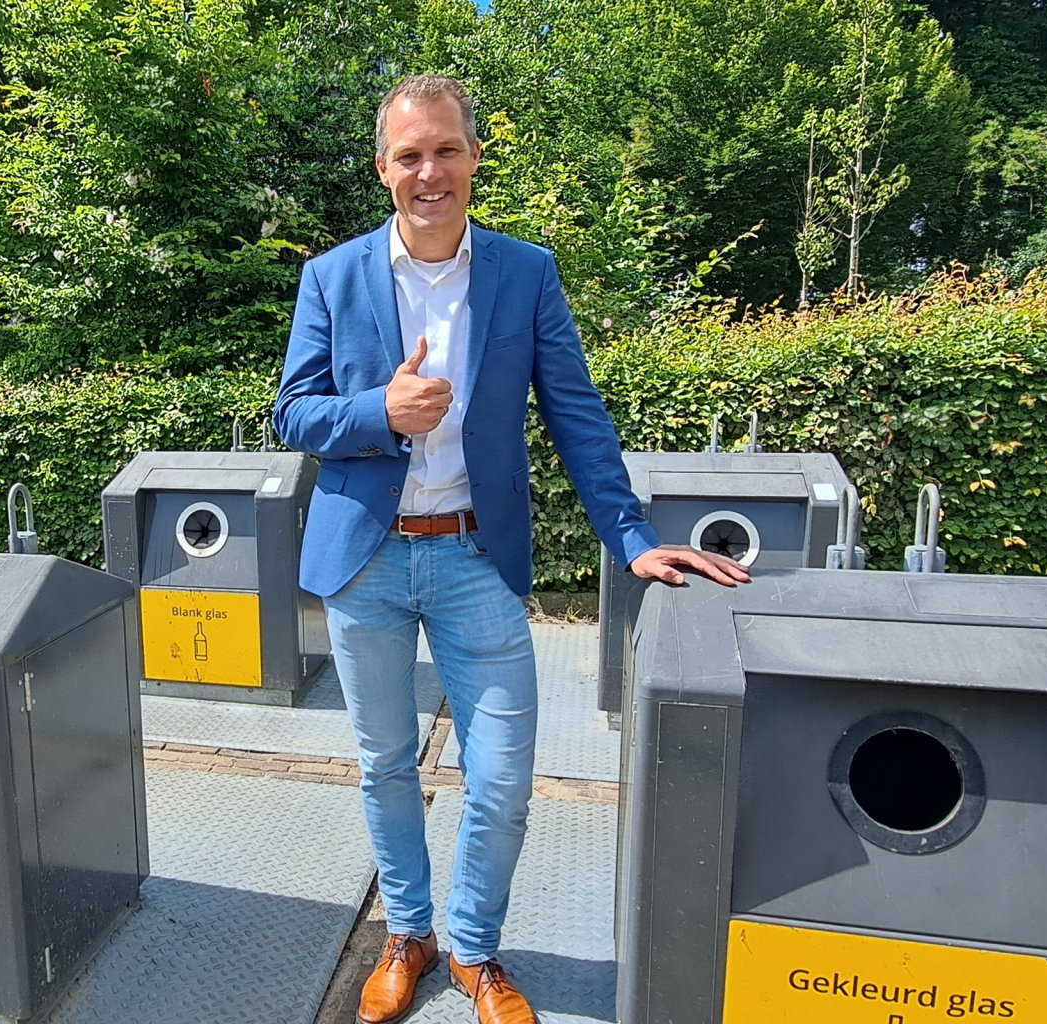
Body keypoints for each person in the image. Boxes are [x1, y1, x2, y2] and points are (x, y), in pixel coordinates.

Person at [273, 75, 745, 1024]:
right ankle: (407, 933)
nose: (429, 171)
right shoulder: (332, 275)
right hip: (364, 561)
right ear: (383, 170)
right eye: (409, 155)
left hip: (473, 560)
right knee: (385, 762)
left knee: (502, 778)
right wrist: (380, 411)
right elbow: (293, 413)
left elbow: (576, 412)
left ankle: (474, 947)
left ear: (474, 159)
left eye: (446, 149)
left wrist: (631, 535)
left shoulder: (525, 273)